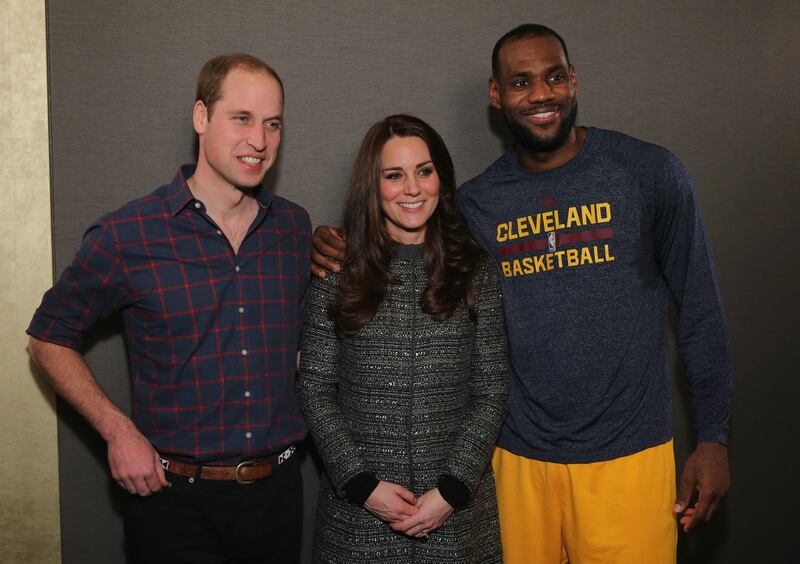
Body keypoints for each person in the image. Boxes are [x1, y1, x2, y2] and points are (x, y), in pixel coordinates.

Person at [310, 25, 732, 564]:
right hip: (514, 462)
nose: (540, 94)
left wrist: (714, 437)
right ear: (496, 95)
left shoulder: (648, 173)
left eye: (554, 77)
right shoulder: (476, 204)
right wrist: (331, 245)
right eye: (521, 82)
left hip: (629, 457)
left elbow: (701, 311)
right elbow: (401, 245)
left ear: (574, 81)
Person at [27, 53, 310, 564]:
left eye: (273, 124)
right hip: (173, 505)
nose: (260, 141)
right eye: (241, 118)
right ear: (201, 117)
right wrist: (118, 431)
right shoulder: (129, 234)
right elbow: (48, 337)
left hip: (278, 497)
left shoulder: (293, 229)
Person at [298, 114, 509, 563]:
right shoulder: (336, 271)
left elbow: (491, 390)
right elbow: (315, 389)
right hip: (356, 522)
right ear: (372, 186)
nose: (412, 188)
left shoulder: (477, 270)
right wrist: (362, 486)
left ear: (442, 179)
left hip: (457, 521)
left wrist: (451, 490)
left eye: (424, 171)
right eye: (394, 175)